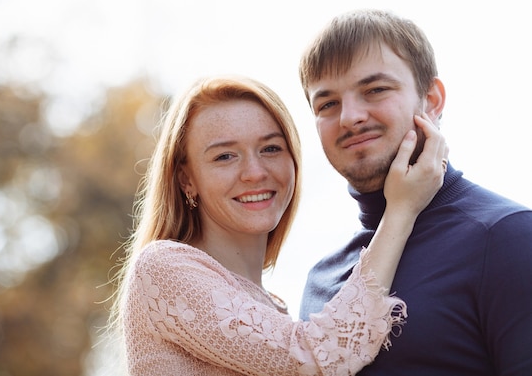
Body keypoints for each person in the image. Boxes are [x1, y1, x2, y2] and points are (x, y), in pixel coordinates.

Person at [110, 74, 448, 376]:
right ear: (187, 180)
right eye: (225, 156)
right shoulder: (163, 268)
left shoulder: (275, 309)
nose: (255, 172)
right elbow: (320, 357)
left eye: (271, 148)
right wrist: (402, 209)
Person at [297, 9, 532, 375]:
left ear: (432, 100)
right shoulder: (321, 279)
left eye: (375, 89)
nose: (349, 116)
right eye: (327, 103)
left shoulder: (508, 237)